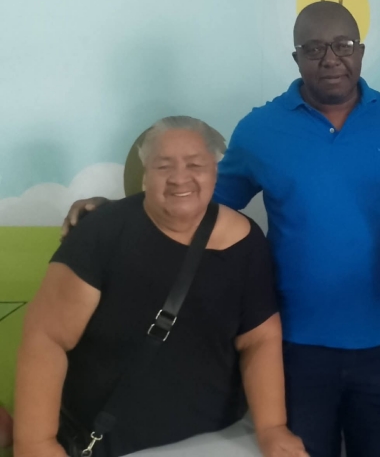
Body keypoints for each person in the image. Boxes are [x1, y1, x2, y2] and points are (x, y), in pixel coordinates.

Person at [62, 2, 380, 457]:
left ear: (361, 51)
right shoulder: (260, 130)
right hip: (293, 346)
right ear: (296, 57)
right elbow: (198, 204)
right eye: (314, 48)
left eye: (343, 45)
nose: (331, 58)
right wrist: (114, 213)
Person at [16, 117, 306, 457]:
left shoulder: (247, 241)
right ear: (145, 174)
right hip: (109, 442)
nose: (180, 177)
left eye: (195, 165)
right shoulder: (101, 232)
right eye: (163, 165)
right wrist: (36, 443)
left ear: (215, 172)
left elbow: (259, 338)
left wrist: (272, 428)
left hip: (217, 438)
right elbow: (46, 339)